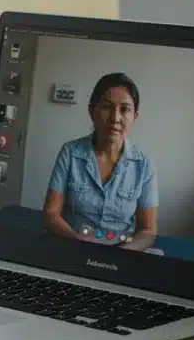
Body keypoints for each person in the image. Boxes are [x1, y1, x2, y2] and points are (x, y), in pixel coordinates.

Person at [41, 73, 161, 253]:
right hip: (73, 244)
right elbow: (51, 214)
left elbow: (147, 231)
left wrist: (120, 255)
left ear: (135, 116)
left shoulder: (144, 164)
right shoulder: (70, 153)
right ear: (92, 111)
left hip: (122, 249)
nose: (115, 118)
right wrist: (78, 245)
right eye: (106, 107)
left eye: (125, 109)